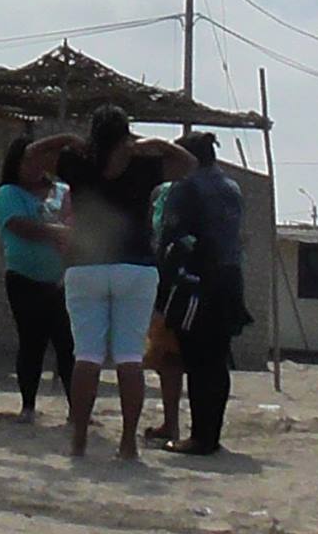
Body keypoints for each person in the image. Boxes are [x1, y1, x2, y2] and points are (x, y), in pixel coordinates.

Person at [56, 106, 194, 461]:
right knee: (129, 359)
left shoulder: (78, 163)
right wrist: (154, 142)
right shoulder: (143, 166)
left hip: (86, 268)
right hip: (135, 268)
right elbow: (187, 164)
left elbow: (30, 156)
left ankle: (78, 440)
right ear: (125, 134)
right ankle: (128, 443)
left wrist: (67, 139)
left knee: (85, 356)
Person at [160, 131, 252, 457]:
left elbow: (172, 238)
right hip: (230, 279)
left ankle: (200, 437)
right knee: (216, 361)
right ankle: (211, 433)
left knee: (197, 359)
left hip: (197, 282)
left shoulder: (186, 188)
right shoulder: (232, 188)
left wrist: (163, 285)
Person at [0, 134, 76, 423]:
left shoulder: (62, 191)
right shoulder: (8, 194)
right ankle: (28, 405)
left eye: (38, 158)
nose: (34, 166)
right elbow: (19, 226)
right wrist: (57, 232)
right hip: (24, 278)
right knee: (32, 341)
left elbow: (75, 224)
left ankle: (77, 407)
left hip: (62, 279)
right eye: (27, 160)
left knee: (67, 343)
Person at [142, 144, 198, 445]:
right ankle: (182, 427)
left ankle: (175, 426)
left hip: (175, 285)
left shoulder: (177, 194)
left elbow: (164, 238)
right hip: (195, 284)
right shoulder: (220, 190)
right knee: (175, 357)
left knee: (170, 357)